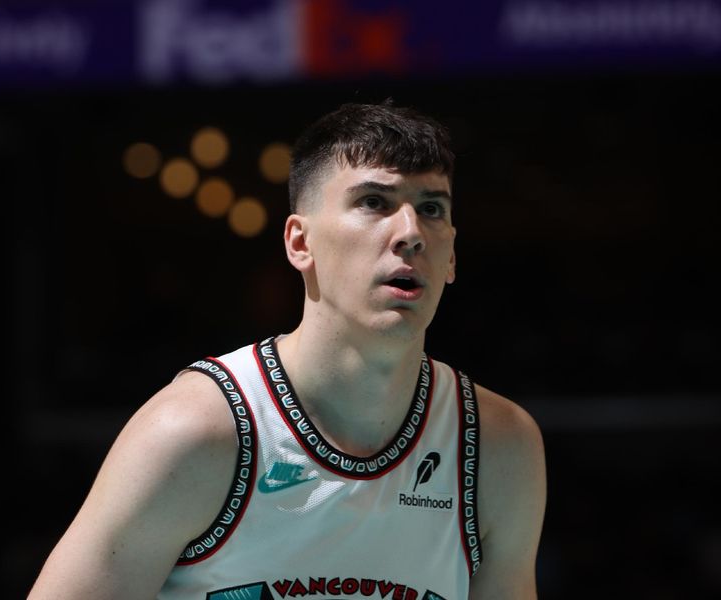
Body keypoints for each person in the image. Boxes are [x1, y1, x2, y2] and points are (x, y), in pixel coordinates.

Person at [29, 102, 546, 600]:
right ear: (300, 243)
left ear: (451, 254)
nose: (410, 233)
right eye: (374, 202)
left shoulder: (500, 450)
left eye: (431, 208)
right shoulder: (192, 433)